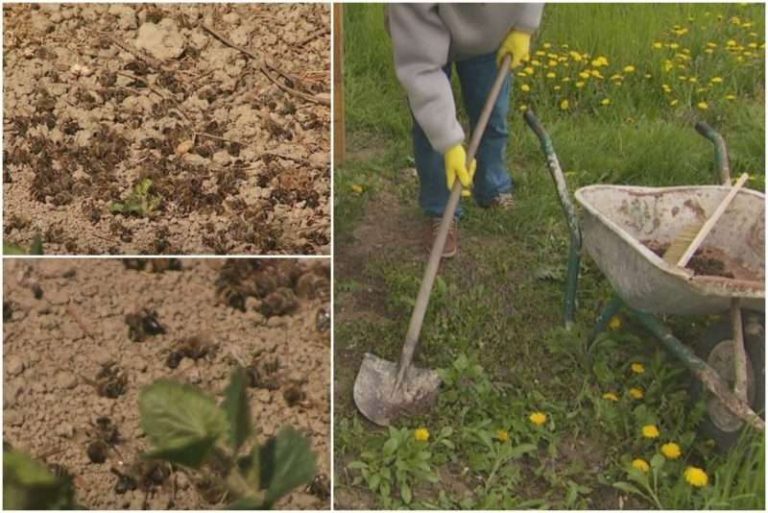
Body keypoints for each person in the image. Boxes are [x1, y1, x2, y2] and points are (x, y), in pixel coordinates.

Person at [388, 4, 544, 258]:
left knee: (491, 113)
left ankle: (492, 186)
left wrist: (524, 25)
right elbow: (421, 69)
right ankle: (441, 210)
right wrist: (449, 142)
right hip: (427, 36)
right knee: (432, 131)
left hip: (492, 35)